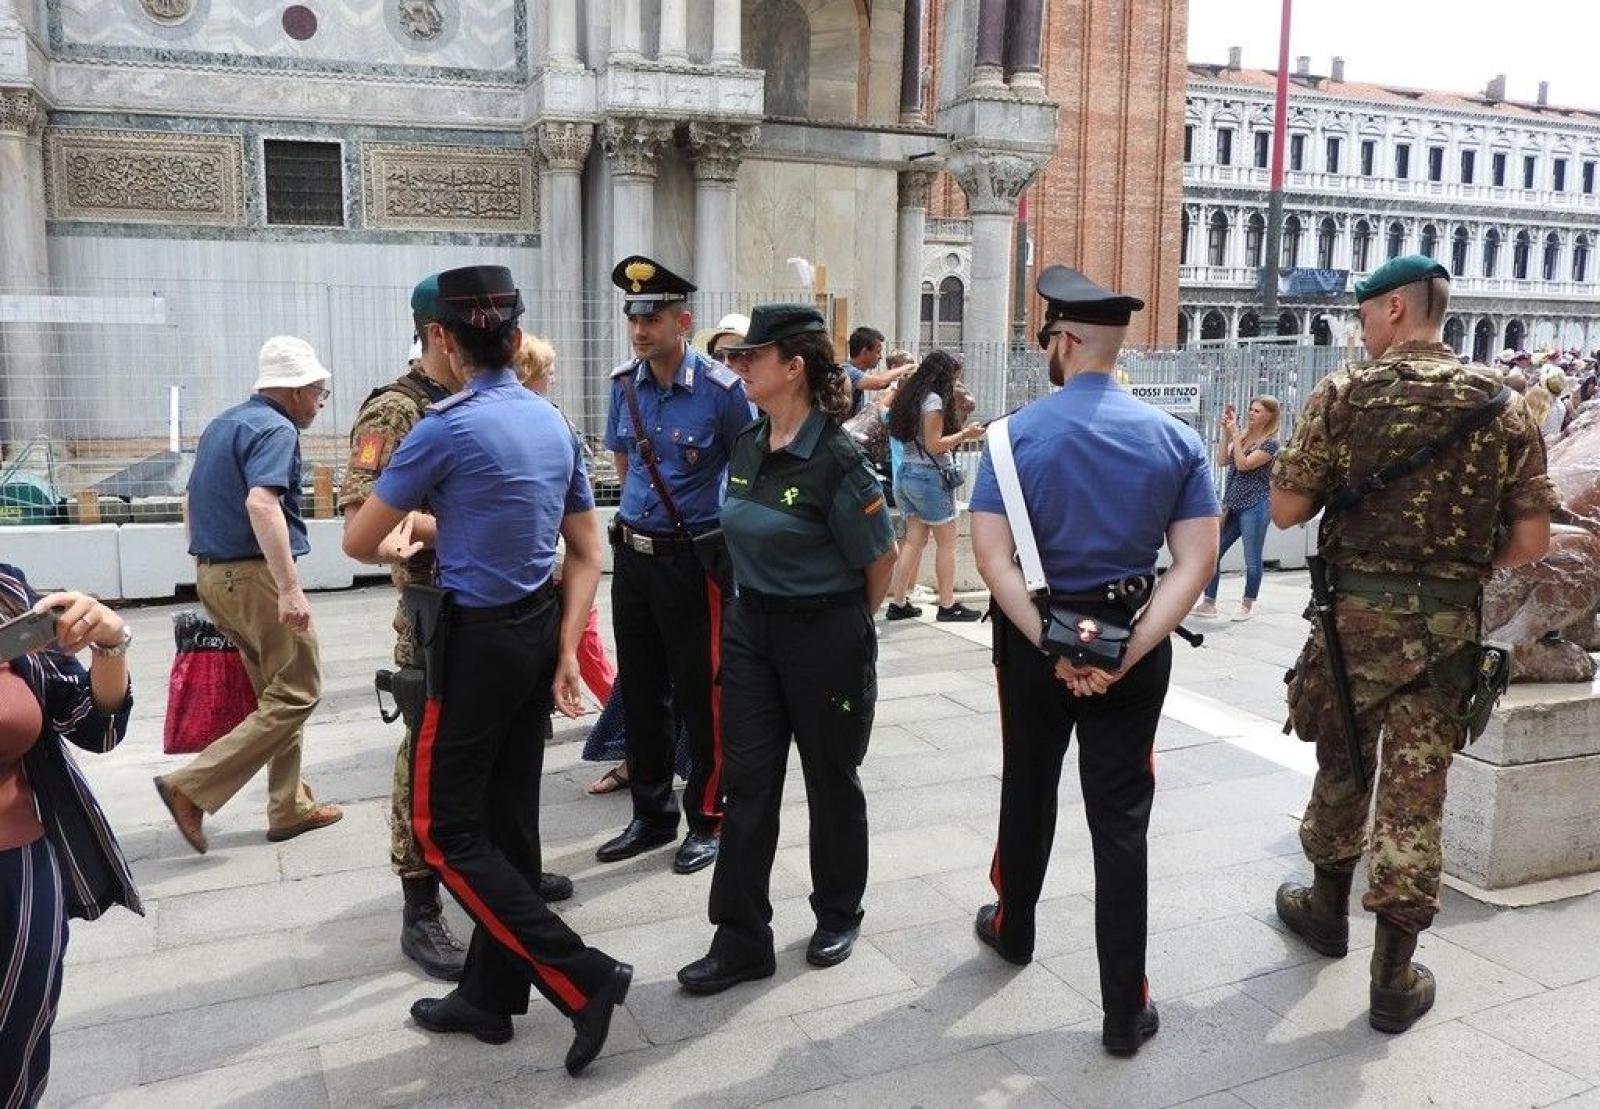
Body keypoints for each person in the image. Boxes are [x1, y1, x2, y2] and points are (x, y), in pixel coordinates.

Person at [343, 265, 631, 1075]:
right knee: (509, 822)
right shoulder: (549, 420)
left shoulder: (444, 425)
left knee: (443, 831)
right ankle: (489, 996)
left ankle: (583, 975)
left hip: (472, 643)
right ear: (512, 336)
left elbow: (360, 540)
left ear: (444, 337)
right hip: (536, 629)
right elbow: (587, 547)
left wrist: (435, 523)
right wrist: (570, 645)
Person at [1270, 255, 1555, 1036]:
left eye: (1365, 314)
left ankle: (1325, 912)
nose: (1360, 329)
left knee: (1340, 764)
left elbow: (1289, 508)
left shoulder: (1344, 393)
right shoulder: (1502, 404)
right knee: (1415, 791)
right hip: (1444, 634)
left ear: (1395, 310)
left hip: (1350, 631)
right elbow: (1531, 539)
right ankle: (1393, 977)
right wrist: (1462, 569)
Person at [967, 265, 1221, 1058]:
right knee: (1121, 823)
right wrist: (1127, 648)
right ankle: (1122, 1007)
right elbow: (1195, 561)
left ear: (1065, 340)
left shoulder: (1010, 438)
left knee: (1028, 786)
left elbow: (991, 558)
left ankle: (1014, 928)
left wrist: (1051, 641)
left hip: (1032, 641)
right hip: (1131, 639)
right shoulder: (1175, 440)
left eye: (1049, 339)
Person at [676, 304, 897, 994]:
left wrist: (840, 625)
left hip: (823, 632)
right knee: (748, 786)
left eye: (753, 356)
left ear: (793, 366)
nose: (739, 366)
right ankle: (741, 937)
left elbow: (880, 559)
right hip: (751, 633)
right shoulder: (746, 443)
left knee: (831, 779)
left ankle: (838, 911)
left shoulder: (836, 456)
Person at [156, 337, 342, 853]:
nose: (320, 404)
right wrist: (288, 588)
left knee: (276, 693)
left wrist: (206, 563)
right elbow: (263, 505)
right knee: (299, 690)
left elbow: (192, 498)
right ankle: (190, 786)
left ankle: (289, 806)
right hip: (254, 575)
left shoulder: (225, 423)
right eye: (319, 394)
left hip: (214, 572)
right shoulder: (276, 428)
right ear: (298, 390)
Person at [597, 255, 752, 876]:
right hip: (634, 559)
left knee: (700, 692)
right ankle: (651, 814)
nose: (640, 329)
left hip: (693, 563)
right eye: (634, 317)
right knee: (641, 690)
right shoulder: (624, 387)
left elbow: (745, 472)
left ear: (682, 321)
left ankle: (708, 818)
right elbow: (624, 466)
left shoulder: (722, 392)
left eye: (653, 317)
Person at [0, 567, 138, 1104]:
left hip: (19, 875)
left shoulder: (8, 592)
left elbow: (92, 724)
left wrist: (110, 642)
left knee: (17, 1060)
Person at [883, 351, 985, 622]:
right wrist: (966, 434)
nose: (954, 384)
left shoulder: (908, 397)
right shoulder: (933, 401)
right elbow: (934, 444)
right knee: (947, 543)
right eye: (953, 378)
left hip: (906, 474)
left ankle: (899, 601)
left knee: (914, 541)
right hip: (928, 477)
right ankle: (948, 605)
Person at [1193, 395, 1282, 622]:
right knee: (1213, 553)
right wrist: (1226, 432)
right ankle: (1209, 602)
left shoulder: (1271, 443)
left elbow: (1243, 465)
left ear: (1270, 416)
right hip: (1233, 503)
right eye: (1251, 409)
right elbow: (1223, 460)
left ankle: (1247, 603)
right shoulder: (1243, 436)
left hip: (1256, 504)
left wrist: (1234, 434)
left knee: (1251, 558)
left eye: (1258, 411)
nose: (1252, 414)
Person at [841, 326, 913, 416]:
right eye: (878, 352)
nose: (880, 357)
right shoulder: (847, 371)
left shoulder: (857, 374)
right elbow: (880, 382)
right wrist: (908, 367)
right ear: (864, 352)